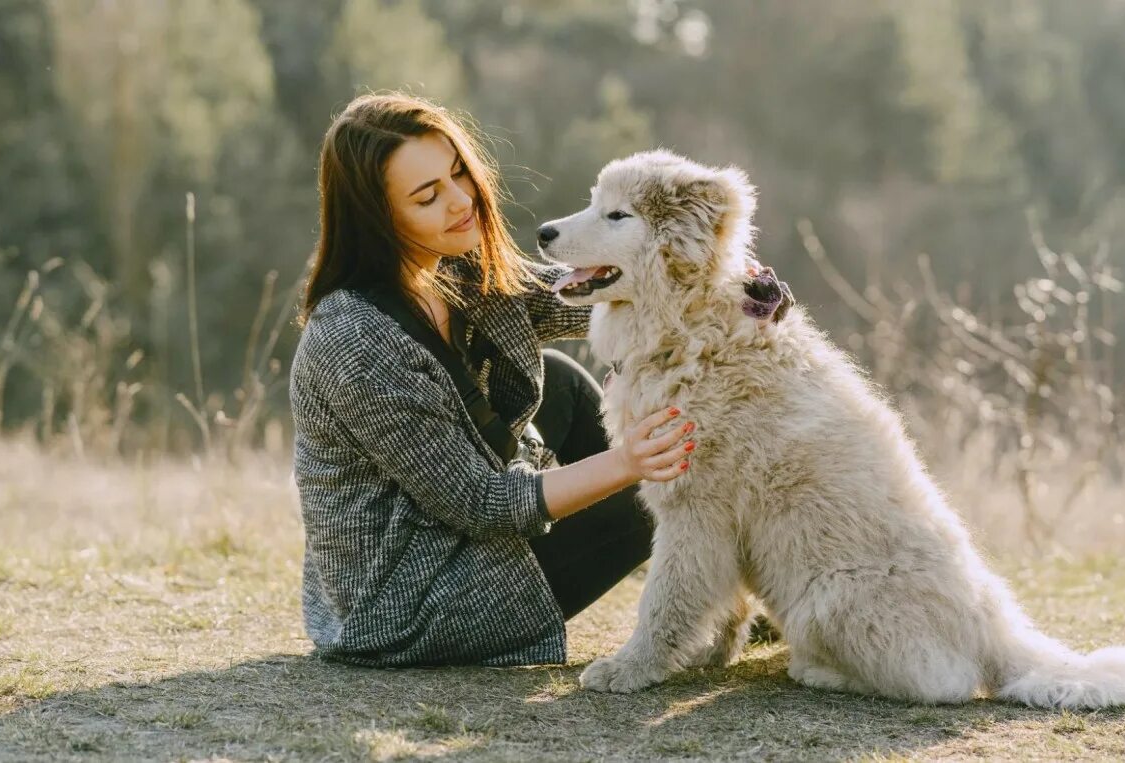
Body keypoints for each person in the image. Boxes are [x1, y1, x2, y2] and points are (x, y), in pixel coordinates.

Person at [290, 92, 778, 667]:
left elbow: (589, 296)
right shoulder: (354, 342)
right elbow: (479, 502)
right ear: (378, 219)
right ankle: (711, 596)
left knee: (563, 382)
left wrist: (730, 283)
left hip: (457, 528)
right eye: (427, 197)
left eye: (458, 174)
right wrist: (628, 464)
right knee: (667, 488)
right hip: (407, 596)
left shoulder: (454, 267)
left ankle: (718, 588)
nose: (460, 201)